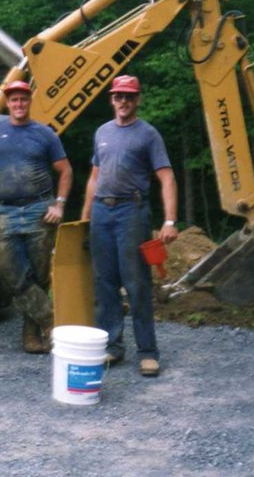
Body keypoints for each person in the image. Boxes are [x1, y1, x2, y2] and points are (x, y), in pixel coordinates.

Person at [81, 75, 178, 377]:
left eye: (129, 97)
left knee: (136, 283)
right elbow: (95, 178)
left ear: (138, 100)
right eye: (118, 96)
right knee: (104, 283)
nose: (123, 102)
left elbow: (167, 178)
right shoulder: (102, 132)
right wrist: (86, 217)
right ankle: (112, 346)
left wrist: (170, 220)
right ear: (111, 99)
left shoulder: (148, 135)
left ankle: (148, 352)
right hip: (101, 211)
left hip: (131, 212)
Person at [0, 80, 73, 354]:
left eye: (23, 100)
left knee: (38, 276)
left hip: (39, 211)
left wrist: (60, 204)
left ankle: (31, 337)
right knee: (10, 274)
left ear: (29, 102)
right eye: (14, 100)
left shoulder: (45, 134)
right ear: (7, 103)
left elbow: (65, 171)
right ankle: (52, 322)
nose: (18, 104)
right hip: (6, 211)